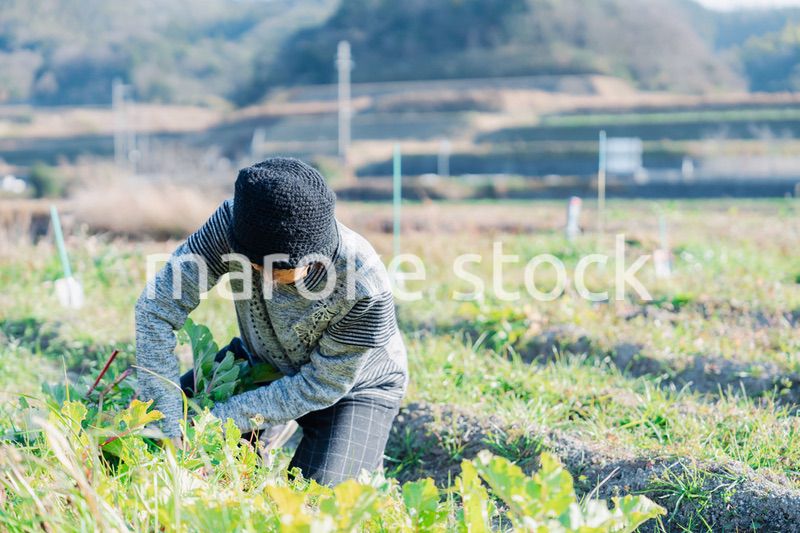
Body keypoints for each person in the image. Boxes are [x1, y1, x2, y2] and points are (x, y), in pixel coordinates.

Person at [134, 157, 408, 485]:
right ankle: (263, 434)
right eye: (252, 266)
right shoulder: (232, 225)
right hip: (261, 363)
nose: (262, 279)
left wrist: (218, 421)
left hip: (353, 387)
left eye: (277, 273)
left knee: (313, 505)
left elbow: (322, 386)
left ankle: (351, 455)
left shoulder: (363, 283)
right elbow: (156, 309)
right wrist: (169, 424)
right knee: (147, 443)